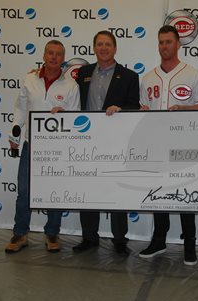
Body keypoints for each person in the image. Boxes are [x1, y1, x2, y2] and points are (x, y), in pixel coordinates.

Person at [138, 25, 198, 265]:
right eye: (161, 42)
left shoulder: (192, 74)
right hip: (157, 146)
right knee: (159, 194)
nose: (164, 46)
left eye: (169, 42)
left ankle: (189, 244)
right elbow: (142, 112)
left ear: (178, 44)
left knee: (185, 195)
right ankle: (159, 240)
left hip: (184, 145)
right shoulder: (148, 77)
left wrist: (185, 108)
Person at [5, 40, 81, 253]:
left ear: (63, 59)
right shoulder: (29, 79)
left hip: (57, 148)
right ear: (44, 55)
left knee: (53, 192)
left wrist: (65, 115)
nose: (53, 57)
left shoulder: (71, 86)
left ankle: (52, 234)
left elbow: (77, 117)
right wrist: (15, 132)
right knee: (24, 191)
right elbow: (20, 109)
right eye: (50, 53)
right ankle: (20, 234)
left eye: (58, 54)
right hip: (31, 145)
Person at [73, 30, 140, 255]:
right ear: (94, 47)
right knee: (87, 188)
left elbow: (135, 106)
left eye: (108, 44)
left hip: (116, 141)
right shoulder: (82, 73)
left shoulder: (129, 76)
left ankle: (120, 239)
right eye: (100, 44)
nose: (104, 48)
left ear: (115, 48)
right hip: (87, 141)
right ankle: (89, 237)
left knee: (118, 189)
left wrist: (121, 109)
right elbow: (71, 99)